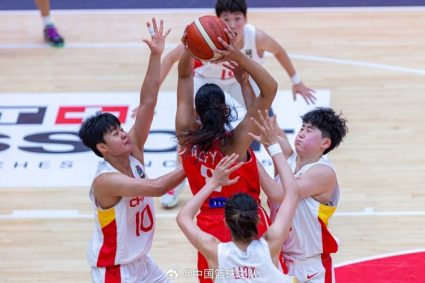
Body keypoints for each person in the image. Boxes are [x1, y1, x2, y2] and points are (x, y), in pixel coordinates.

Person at [159, 0, 316, 208]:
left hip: (237, 79)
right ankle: (176, 183)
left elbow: (278, 51)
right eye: (226, 19)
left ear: (246, 19)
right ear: (218, 21)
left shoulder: (255, 36)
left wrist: (297, 81)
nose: (232, 24)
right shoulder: (206, 35)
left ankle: (287, 166)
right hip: (208, 81)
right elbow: (171, 60)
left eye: (237, 18)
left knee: (267, 123)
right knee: (188, 133)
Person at [78, 19, 182, 283]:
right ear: (102, 148)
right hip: (115, 271)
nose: (124, 134)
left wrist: (156, 56)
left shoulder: (132, 150)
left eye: (120, 128)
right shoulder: (106, 180)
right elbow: (158, 188)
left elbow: (147, 102)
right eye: (115, 134)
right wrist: (193, 164)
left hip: (142, 263)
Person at [176, 27, 283, 282]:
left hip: (208, 228)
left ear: (196, 113)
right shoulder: (236, 142)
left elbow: (183, 78)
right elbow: (270, 89)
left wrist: (189, 49)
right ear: (225, 109)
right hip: (245, 220)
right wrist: (238, 56)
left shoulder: (185, 136)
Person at [176, 130, 299, 282]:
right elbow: (292, 192)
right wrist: (273, 146)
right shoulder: (271, 244)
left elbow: (183, 217)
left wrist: (213, 182)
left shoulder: (214, 251)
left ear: (226, 223)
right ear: (257, 220)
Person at [257, 107, 348, 283]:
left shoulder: (323, 173)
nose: (301, 133)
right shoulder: (288, 157)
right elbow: (260, 113)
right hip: (277, 260)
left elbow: (278, 193)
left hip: (311, 269)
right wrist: (246, 82)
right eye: (302, 127)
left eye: (309, 130)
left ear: (325, 143)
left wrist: (248, 158)